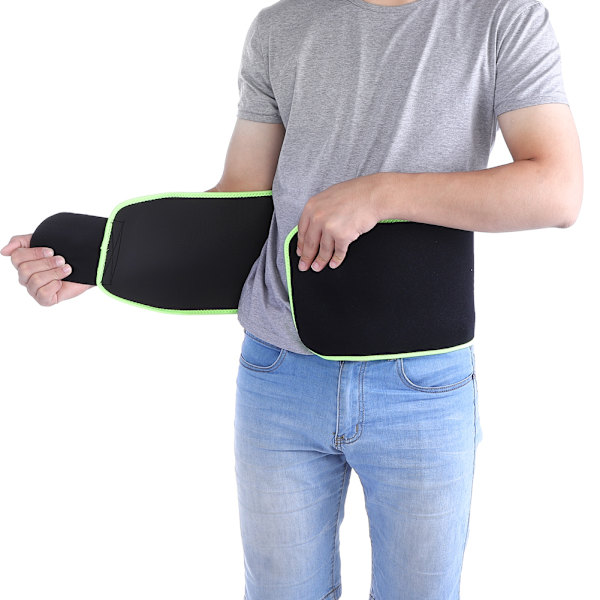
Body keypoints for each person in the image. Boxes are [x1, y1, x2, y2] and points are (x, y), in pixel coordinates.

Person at [1, 0, 582, 598]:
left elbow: (557, 190)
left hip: (421, 384)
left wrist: (382, 193)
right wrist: (105, 262)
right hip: (278, 375)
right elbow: (241, 200)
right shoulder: (281, 27)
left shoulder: (500, 17)